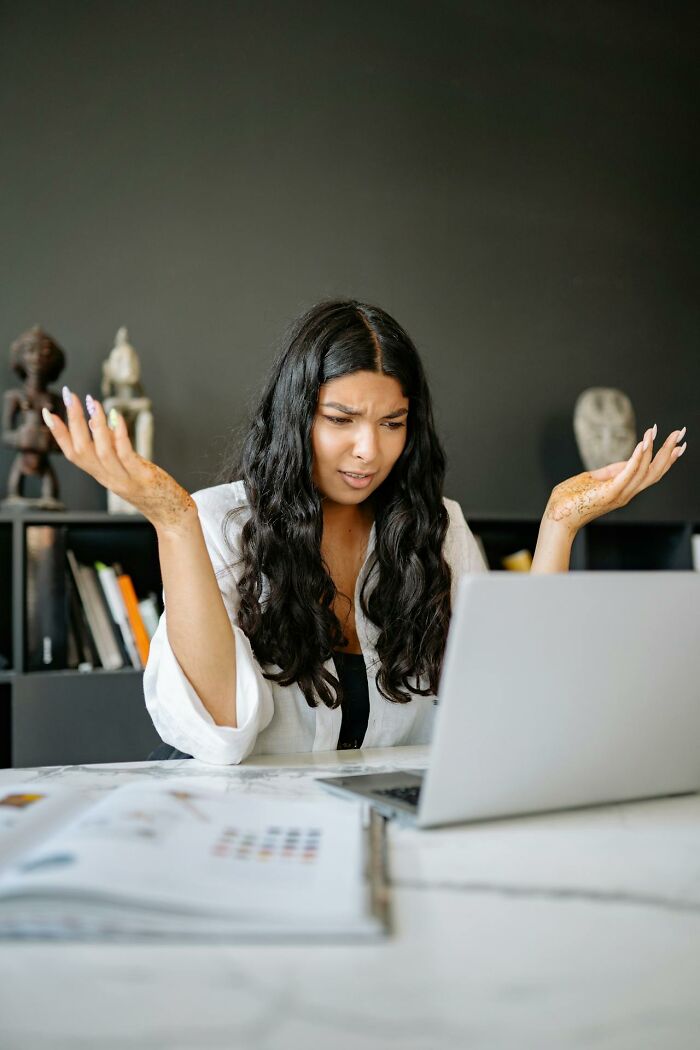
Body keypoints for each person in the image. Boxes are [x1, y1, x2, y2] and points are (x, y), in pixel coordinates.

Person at [42, 299, 688, 764]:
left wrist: (559, 525)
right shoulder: (218, 521)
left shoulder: (438, 530)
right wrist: (173, 521)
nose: (367, 451)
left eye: (392, 422)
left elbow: (509, 713)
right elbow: (222, 732)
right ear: (297, 416)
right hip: (245, 829)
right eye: (341, 418)